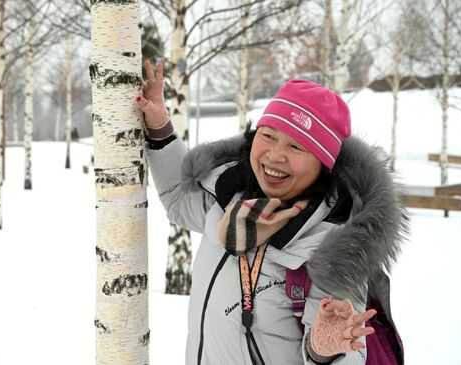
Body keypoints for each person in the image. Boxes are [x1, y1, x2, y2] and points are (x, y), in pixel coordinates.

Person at [136, 60, 406, 365]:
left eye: (297, 147)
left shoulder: (334, 247)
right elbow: (178, 201)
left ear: (323, 164)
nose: (275, 156)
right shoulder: (229, 198)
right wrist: (160, 128)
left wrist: (323, 351)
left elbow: (346, 347)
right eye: (269, 136)